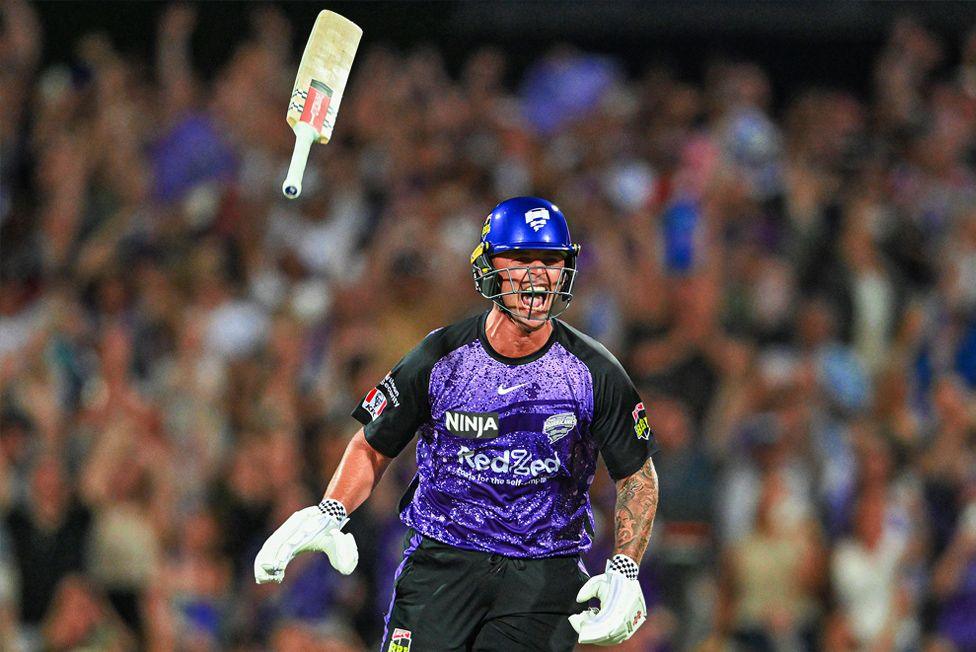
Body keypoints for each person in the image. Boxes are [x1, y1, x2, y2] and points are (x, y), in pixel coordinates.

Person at [254, 197, 660, 650]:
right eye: (521, 258)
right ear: (488, 266)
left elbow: (636, 474)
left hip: (544, 578)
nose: (537, 273)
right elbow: (373, 444)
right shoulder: (439, 357)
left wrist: (626, 567)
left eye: (550, 259)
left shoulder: (594, 371)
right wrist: (331, 511)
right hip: (441, 568)